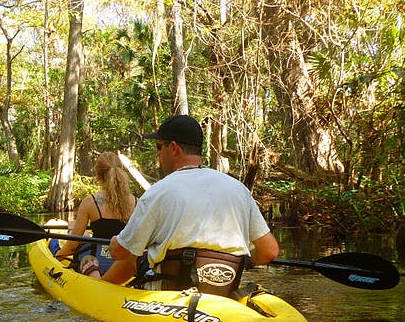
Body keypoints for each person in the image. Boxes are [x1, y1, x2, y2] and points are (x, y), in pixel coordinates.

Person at [103, 115, 279, 296]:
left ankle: (101, 288)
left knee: (136, 256)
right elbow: (269, 251)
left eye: (159, 147)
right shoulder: (238, 189)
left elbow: (121, 253)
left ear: (174, 148)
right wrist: (246, 260)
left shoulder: (158, 192)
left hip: (171, 297)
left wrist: (116, 242)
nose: (157, 154)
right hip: (223, 296)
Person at [54, 152, 137, 277]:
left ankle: (93, 272)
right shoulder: (136, 202)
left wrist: (58, 256)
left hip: (98, 258)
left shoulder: (90, 201)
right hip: (124, 262)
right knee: (84, 234)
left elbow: (73, 244)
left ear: (98, 175)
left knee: (79, 238)